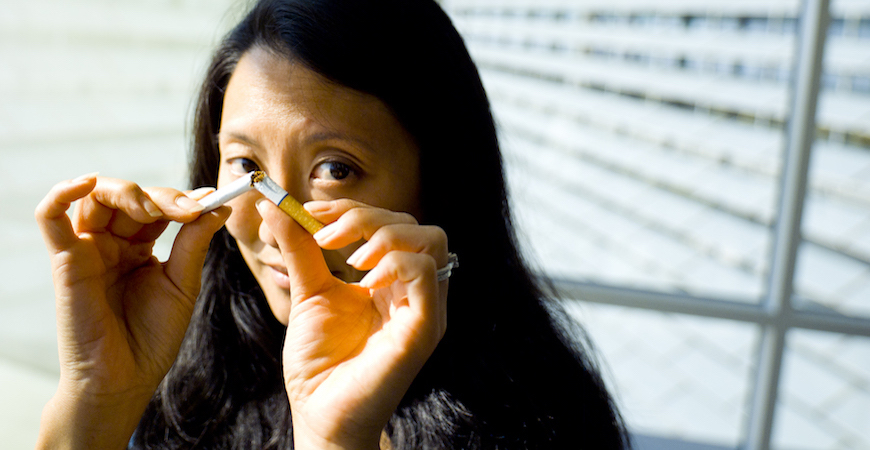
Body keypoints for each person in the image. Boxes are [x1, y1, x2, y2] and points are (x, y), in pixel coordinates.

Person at [34, 0, 628, 448]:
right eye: (245, 164)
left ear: (440, 184)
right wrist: (98, 394)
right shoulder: (184, 365)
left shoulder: (543, 417)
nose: (274, 228)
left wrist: (337, 439)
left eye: (336, 169)